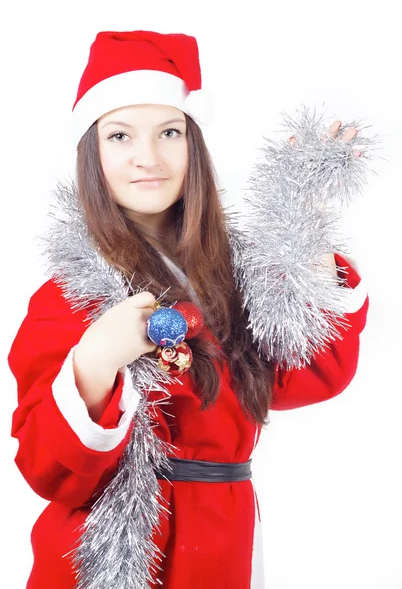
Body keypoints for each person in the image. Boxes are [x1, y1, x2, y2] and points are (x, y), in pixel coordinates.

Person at [8, 30, 369, 589]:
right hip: (104, 560)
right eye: (120, 135)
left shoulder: (233, 278)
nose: (147, 158)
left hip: (222, 543)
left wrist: (304, 229)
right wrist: (96, 361)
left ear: (192, 145)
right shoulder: (67, 298)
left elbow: (312, 372)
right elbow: (46, 469)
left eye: (169, 132)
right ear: (92, 151)